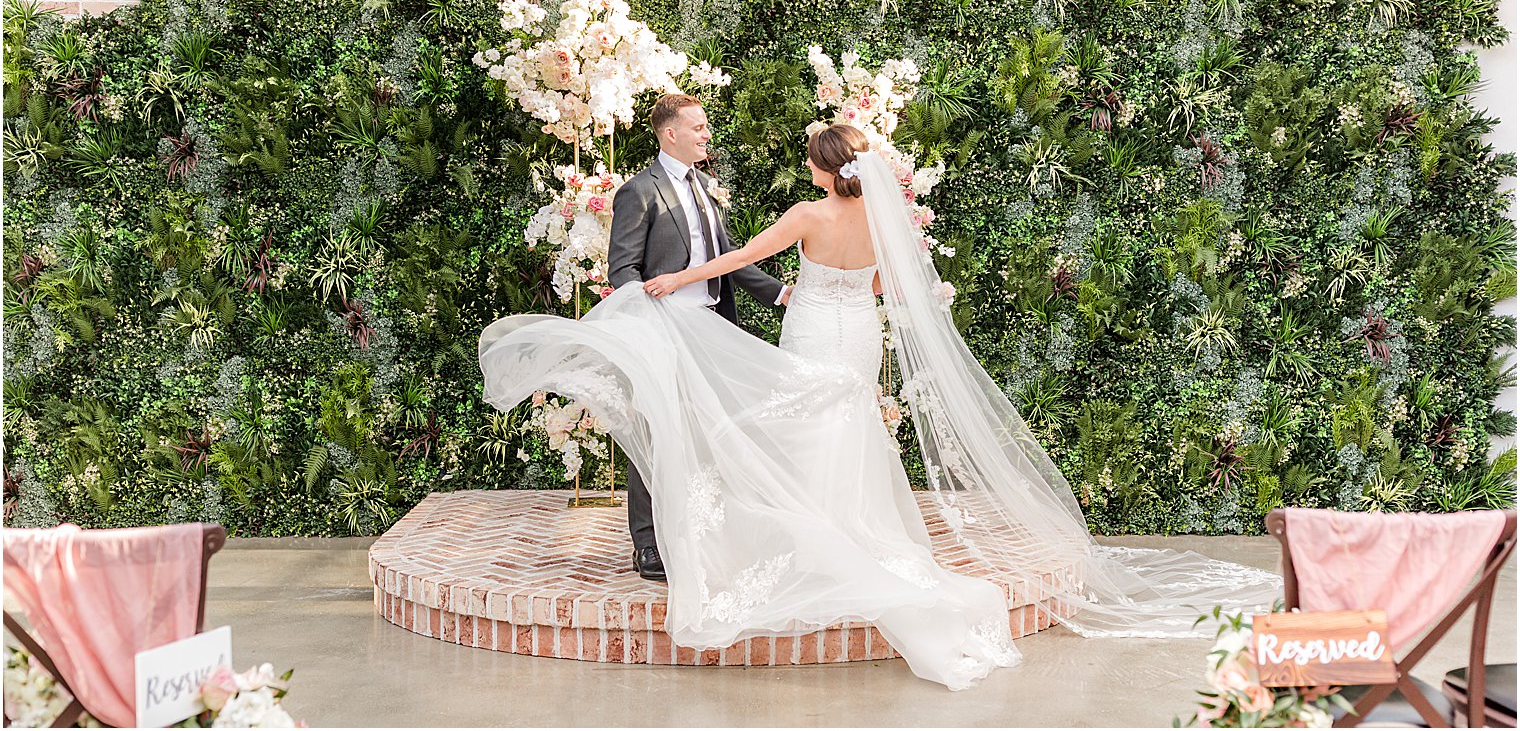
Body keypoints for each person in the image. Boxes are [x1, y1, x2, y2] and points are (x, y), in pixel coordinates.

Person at [479, 124, 1279, 690]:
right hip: (858, 331)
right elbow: (897, 287)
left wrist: (674, 281)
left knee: (798, 430)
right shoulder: (876, 221)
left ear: (824, 169)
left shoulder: (809, 214)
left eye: (808, 159)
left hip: (810, 334)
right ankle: (855, 531)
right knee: (849, 427)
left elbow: (744, 256)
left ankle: (812, 542)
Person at [605, 93, 789, 582]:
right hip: (663, 330)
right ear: (671, 134)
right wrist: (649, 321)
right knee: (656, 430)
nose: (707, 134)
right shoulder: (638, 191)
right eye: (698, 127)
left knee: (708, 432)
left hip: (711, 327)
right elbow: (622, 267)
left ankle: (700, 532)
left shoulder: (707, 187)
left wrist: (780, 294)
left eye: (706, 126)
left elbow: (725, 259)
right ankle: (648, 544)